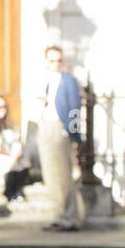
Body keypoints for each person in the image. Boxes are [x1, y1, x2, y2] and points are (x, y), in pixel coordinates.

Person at [36, 45, 86, 231]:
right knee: (50, 175)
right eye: (52, 60)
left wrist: (72, 133)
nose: (56, 64)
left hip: (60, 127)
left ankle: (69, 217)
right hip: (45, 126)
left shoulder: (69, 81)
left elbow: (74, 108)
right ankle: (58, 215)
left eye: (59, 60)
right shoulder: (43, 79)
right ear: (46, 61)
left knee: (64, 175)